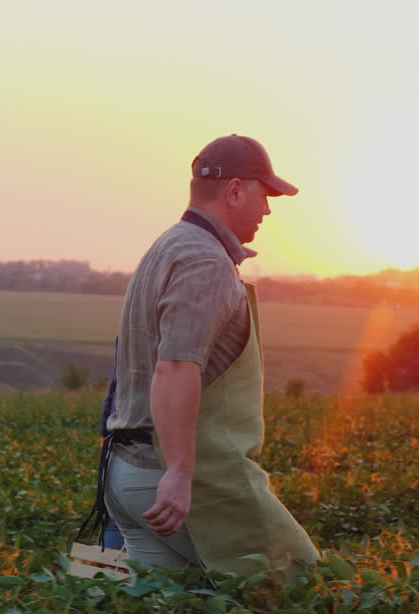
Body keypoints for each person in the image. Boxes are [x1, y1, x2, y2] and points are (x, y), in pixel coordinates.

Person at [103, 135, 319, 577]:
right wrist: (180, 474)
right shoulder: (205, 263)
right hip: (173, 478)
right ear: (235, 191)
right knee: (300, 581)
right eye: (265, 194)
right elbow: (176, 366)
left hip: (126, 469)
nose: (269, 210)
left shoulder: (171, 245)